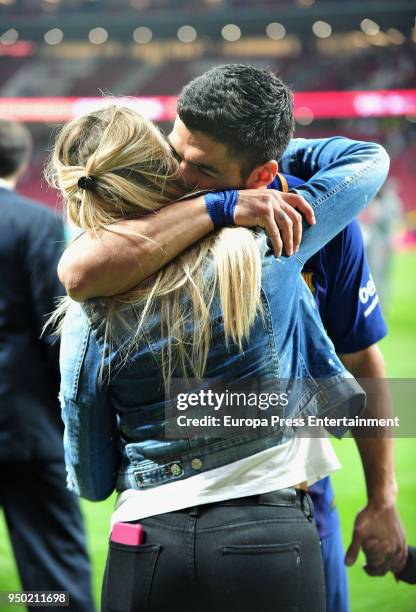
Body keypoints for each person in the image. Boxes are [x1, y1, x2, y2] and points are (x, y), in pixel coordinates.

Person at [57, 65, 406, 612]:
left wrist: (383, 496)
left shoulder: (300, 220)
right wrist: (221, 202)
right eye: (174, 155)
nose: (177, 176)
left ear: (264, 173)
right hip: (273, 511)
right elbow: (369, 161)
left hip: (178, 526)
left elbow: (361, 356)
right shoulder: (271, 249)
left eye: (201, 168)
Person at [0, 119, 95, 612]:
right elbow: (54, 330)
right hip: (24, 426)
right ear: (19, 162)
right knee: (52, 573)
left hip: (22, 425)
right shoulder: (34, 223)